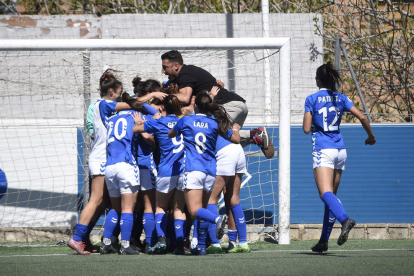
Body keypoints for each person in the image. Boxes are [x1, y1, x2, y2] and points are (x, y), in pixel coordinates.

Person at [67, 70, 144, 255]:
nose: (119, 96)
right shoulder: (104, 104)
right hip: (102, 158)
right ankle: (77, 238)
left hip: (104, 158)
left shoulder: (102, 106)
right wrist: (151, 96)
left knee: (105, 202)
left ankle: (90, 238)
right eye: (118, 92)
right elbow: (134, 105)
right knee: (96, 200)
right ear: (111, 92)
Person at [303, 62, 376, 253]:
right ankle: (323, 241)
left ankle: (345, 219)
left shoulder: (311, 98)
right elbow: (362, 117)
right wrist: (371, 136)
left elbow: (306, 129)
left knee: (324, 193)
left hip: (323, 150)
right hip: (340, 150)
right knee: (331, 197)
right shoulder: (341, 98)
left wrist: (311, 116)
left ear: (318, 80)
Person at [161, 50, 275, 159]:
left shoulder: (184, 74)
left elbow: (185, 98)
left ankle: (255, 134)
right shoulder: (190, 73)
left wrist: (159, 97)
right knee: (226, 144)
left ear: (176, 66)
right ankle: (254, 138)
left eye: (165, 67)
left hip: (228, 105)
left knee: (208, 133)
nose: (163, 71)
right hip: (237, 105)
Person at [168, 92, 241, 255]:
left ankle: (217, 219)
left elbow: (171, 134)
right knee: (203, 209)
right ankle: (200, 247)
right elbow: (236, 139)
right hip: (210, 171)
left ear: (195, 105)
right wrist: (234, 128)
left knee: (194, 212)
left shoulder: (186, 120)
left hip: (193, 169)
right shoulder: (215, 122)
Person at [132, 95, 187, 255]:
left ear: (163, 108)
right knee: (179, 209)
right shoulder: (185, 121)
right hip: (183, 171)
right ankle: (179, 245)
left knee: (160, 207)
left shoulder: (159, 122)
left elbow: (136, 130)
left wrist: (139, 123)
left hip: (165, 171)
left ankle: (162, 239)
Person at [100, 108, 142, 255]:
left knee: (115, 208)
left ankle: (106, 243)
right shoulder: (136, 115)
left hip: (110, 166)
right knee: (128, 208)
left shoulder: (110, 119)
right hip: (126, 165)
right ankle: (125, 245)